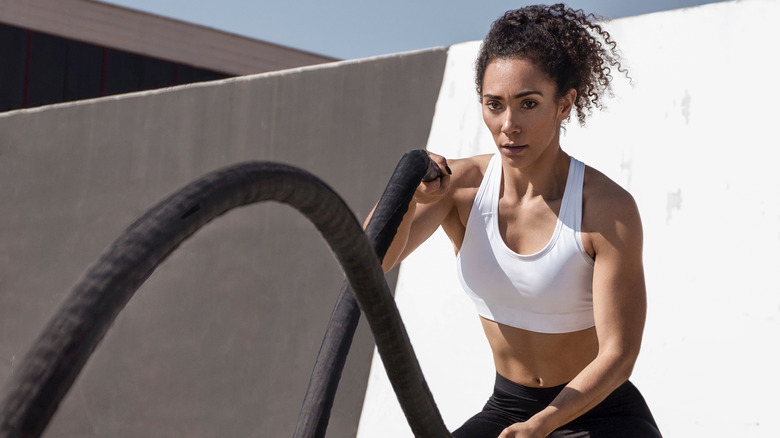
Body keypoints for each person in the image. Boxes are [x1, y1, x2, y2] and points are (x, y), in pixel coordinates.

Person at [371, 4, 662, 438]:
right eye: (495, 105)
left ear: (564, 104)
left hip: (602, 413)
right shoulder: (460, 188)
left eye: (528, 104)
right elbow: (367, 264)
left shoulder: (606, 209)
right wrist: (408, 197)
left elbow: (619, 354)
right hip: (509, 407)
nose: (509, 125)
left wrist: (543, 424)